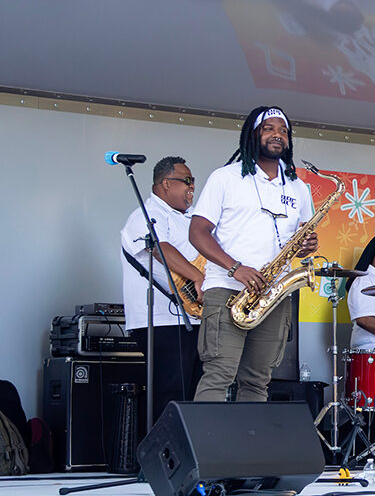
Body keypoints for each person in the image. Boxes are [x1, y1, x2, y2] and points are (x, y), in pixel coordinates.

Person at [189, 106, 318, 402]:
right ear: (253, 134)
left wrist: (308, 245)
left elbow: (301, 237)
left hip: (273, 294)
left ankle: (248, 445)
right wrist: (236, 268)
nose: (278, 135)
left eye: (283, 131)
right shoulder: (226, 177)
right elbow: (197, 232)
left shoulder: (298, 186)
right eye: (269, 129)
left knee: (258, 381)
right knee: (219, 374)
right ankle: (208, 447)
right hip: (228, 288)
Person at [119, 156, 206, 421]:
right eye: (187, 181)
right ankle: (161, 458)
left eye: (193, 182)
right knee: (171, 392)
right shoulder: (146, 215)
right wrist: (197, 276)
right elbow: (159, 247)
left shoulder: (189, 217)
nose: (192, 188)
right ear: (166, 183)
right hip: (161, 319)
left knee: (192, 392)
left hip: (192, 317)